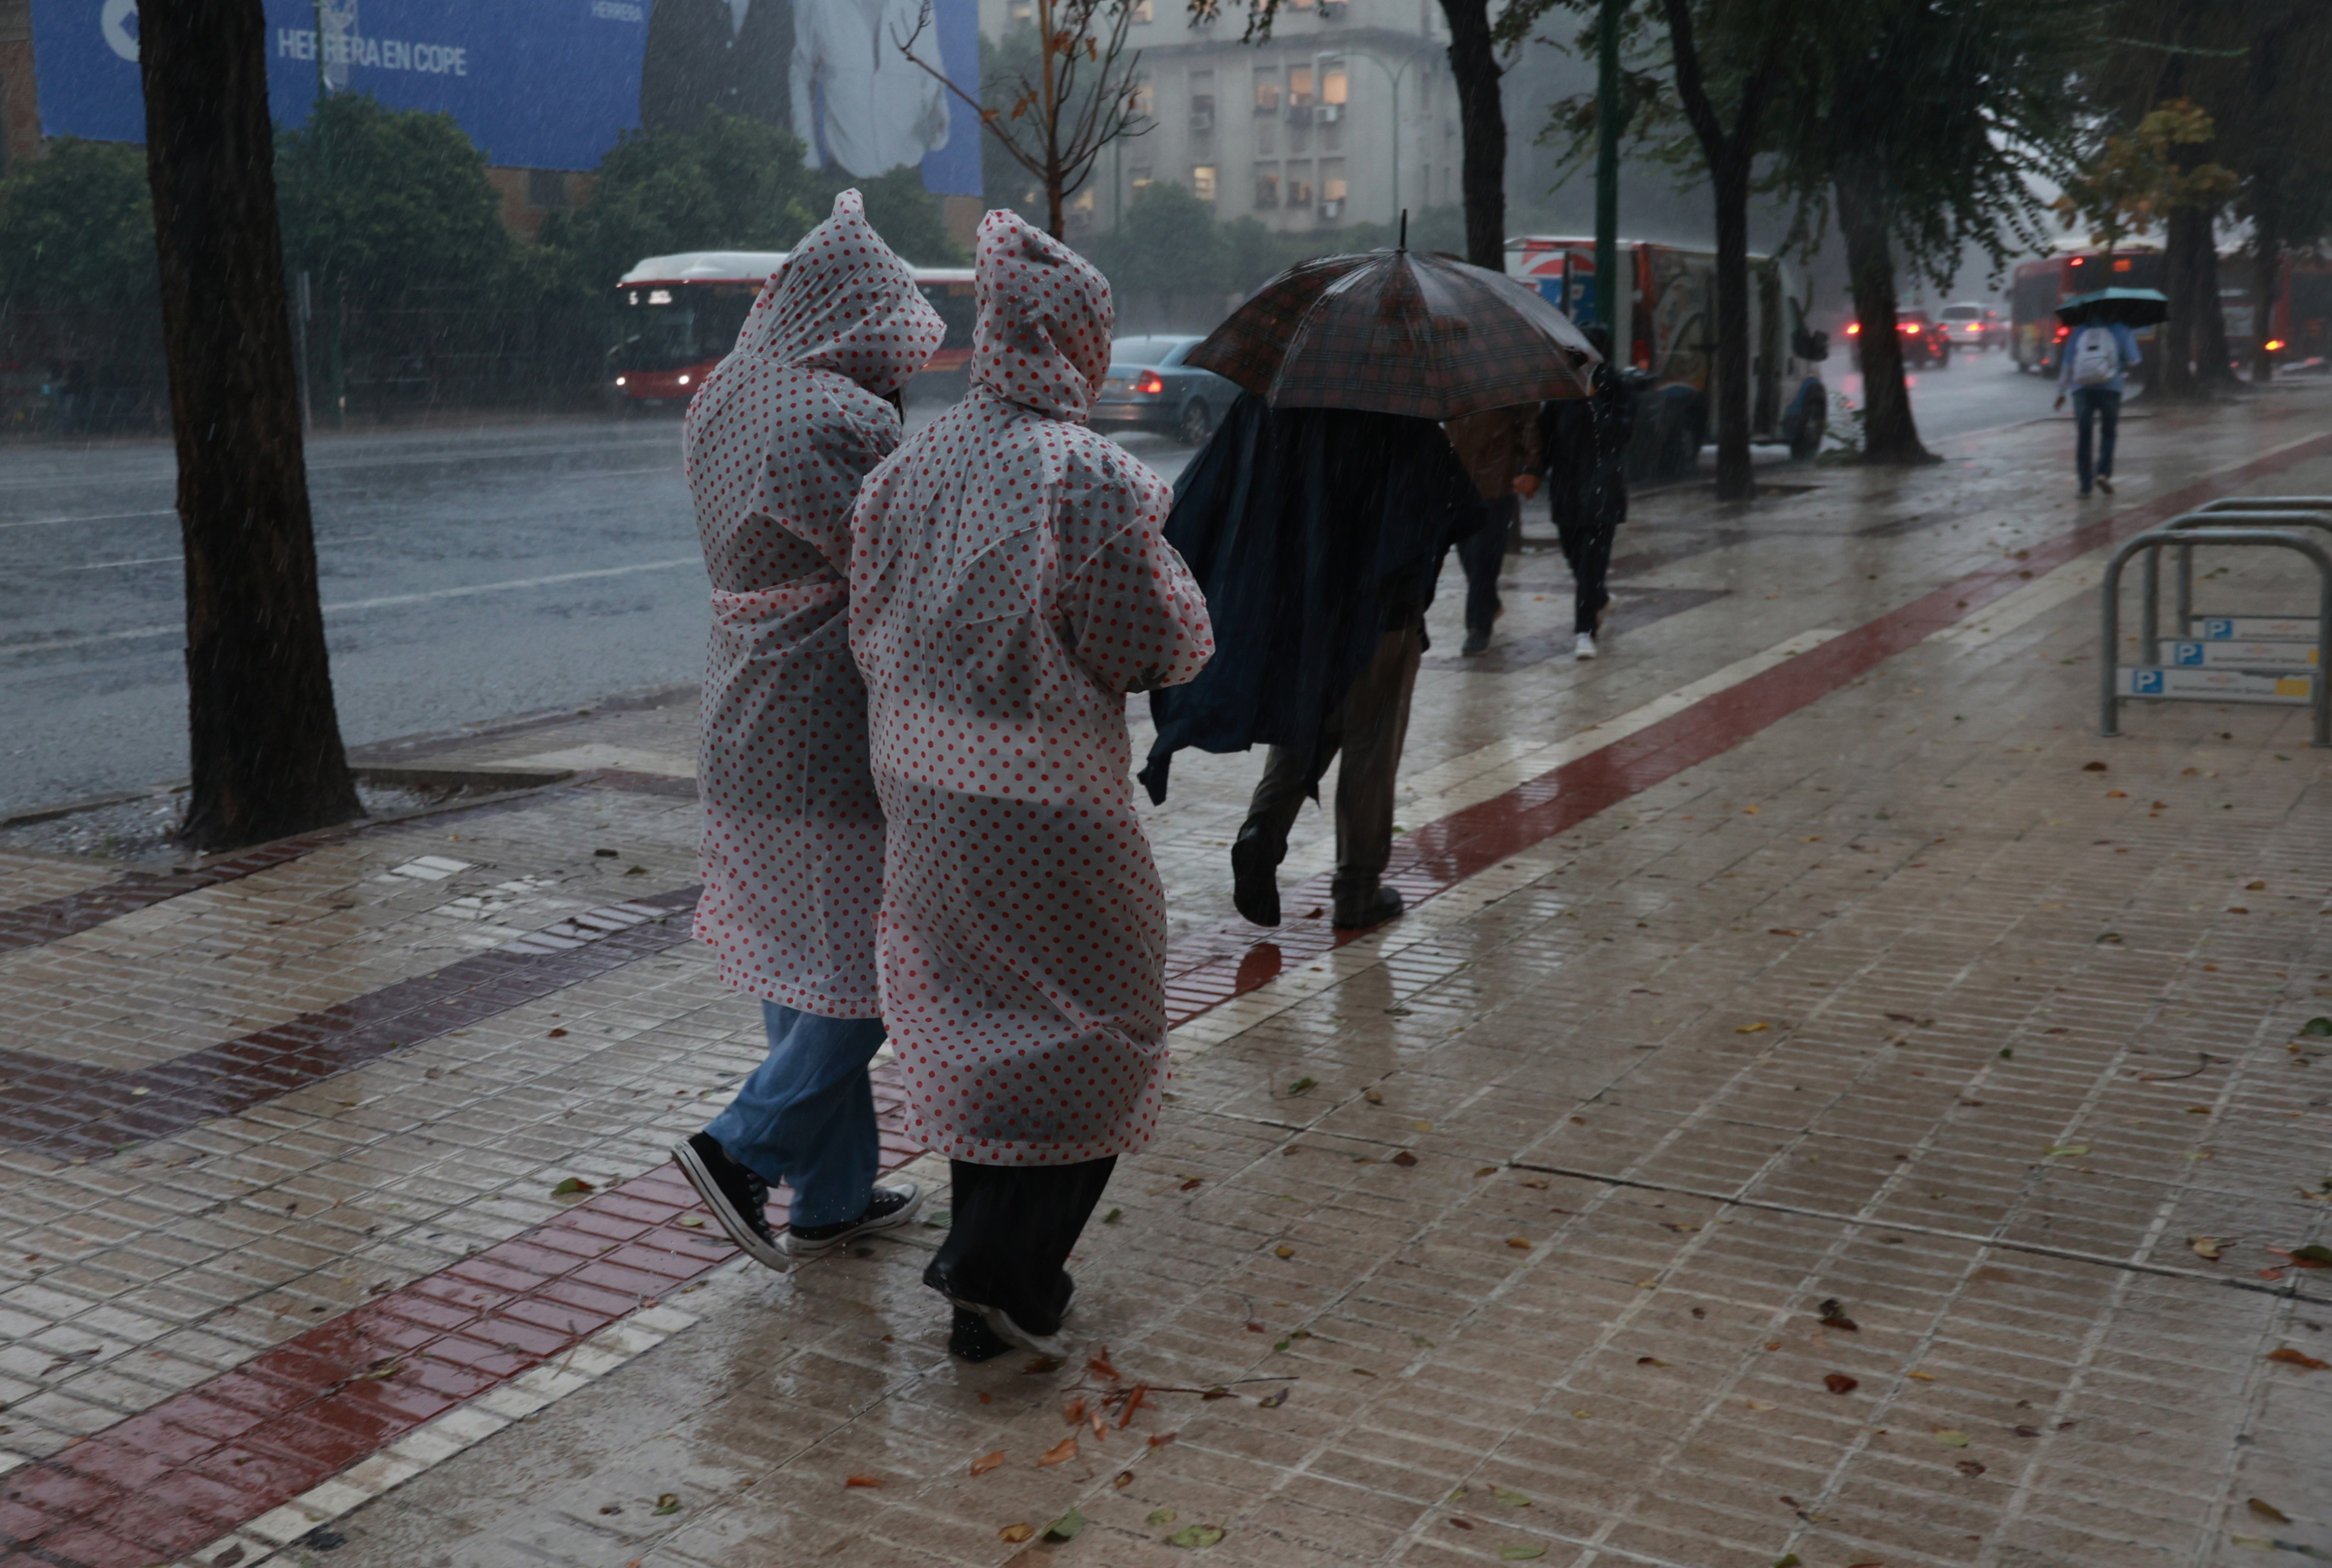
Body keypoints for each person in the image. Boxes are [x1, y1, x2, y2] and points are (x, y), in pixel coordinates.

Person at [849, 211, 1214, 1360]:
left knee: (976, 1027)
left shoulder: (904, 470)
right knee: (1105, 1027)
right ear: (1074, 340)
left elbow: (868, 628)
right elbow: (1151, 640)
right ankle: (1001, 1263)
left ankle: (982, 1290)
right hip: (1050, 811)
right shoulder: (1090, 475)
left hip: (920, 801)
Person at [668, 191, 947, 1272]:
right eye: (891, 345)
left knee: (801, 963)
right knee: (879, 972)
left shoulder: (724, 397)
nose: (899, 369)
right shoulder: (844, 420)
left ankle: (831, 1200)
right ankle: (742, 1145)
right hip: (824, 720)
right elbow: (893, 574)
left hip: (738, 705)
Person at [1140, 395, 1479, 931]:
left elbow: (1220, 490)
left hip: (1304, 604)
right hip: (1382, 608)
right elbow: (1448, 503)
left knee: (1308, 720)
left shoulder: (1281, 400)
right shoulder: (1398, 409)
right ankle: (1357, 890)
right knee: (1371, 742)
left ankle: (1262, 831)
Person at [1539, 322, 1637, 659]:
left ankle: (1584, 631)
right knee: (1575, 558)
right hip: (1566, 491)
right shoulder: (1560, 391)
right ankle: (1599, 599)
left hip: (1602, 493)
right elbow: (1546, 438)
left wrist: (1594, 404)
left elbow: (1619, 436)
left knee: (1590, 565)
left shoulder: (1617, 389)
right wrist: (1532, 472)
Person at [791, 0, 951, 177]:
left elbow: (933, 83)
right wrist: (808, 162)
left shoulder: (920, 6)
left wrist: (937, 123)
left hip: (907, 183)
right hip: (843, 179)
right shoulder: (818, 5)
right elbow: (801, 77)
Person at [1442, 405, 1541, 656]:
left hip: (1496, 480)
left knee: (1483, 558)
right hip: (1458, 480)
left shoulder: (1505, 382)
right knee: (1467, 555)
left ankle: (1478, 626)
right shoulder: (1453, 380)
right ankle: (1490, 604)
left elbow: (1528, 424)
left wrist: (1531, 467)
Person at [2053, 315, 2141, 498]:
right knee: (2108, 431)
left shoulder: (2079, 331)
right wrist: (2121, 360)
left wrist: (2061, 393)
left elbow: (2068, 365)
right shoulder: (2121, 328)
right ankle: (2103, 473)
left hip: (2082, 390)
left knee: (2084, 435)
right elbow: (2134, 360)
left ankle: (2085, 486)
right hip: (2111, 388)